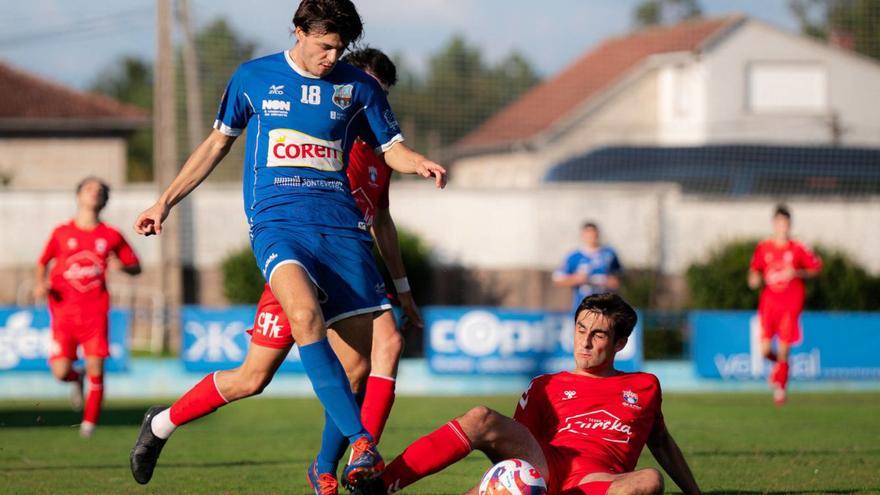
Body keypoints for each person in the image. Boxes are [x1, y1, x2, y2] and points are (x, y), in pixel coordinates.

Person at [128, 0, 446, 490]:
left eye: (340, 49)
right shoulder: (254, 78)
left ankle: (164, 423)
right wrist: (163, 202)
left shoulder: (358, 86)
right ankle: (361, 444)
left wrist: (418, 161)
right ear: (298, 31)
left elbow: (391, 150)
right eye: (324, 46)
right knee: (304, 317)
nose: (331, 57)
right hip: (279, 225)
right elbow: (216, 144)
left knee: (307, 371)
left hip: (340, 231)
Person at [247, 47, 424, 494]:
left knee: (380, 349)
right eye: (364, 92)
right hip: (303, 258)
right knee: (252, 378)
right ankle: (164, 423)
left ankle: (354, 461)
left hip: (349, 260)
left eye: (378, 96)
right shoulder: (329, 140)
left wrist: (403, 288)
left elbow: (382, 220)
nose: (368, 105)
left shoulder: (379, 157)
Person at [354, 294, 701, 495]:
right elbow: (513, 464)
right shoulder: (545, 385)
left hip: (599, 480)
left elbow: (661, 442)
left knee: (650, 480)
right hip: (547, 464)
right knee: (480, 417)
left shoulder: (645, 386)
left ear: (620, 343)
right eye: (580, 329)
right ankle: (381, 485)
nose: (585, 341)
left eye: (598, 335)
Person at [34, 176, 142, 438]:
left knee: (97, 367)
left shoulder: (112, 235)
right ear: (79, 195)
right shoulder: (61, 233)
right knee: (60, 372)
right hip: (62, 313)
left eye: (100, 190)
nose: (94, 192)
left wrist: (123, 267)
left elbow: (136, 267)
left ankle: (88, 426)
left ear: (105, 200)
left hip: (94, 313)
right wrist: (41, 284)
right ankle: (75, 378)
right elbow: (42, 262)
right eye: (89, 188)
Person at [748, 205, 822, 405]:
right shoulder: (764, 248)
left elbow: (816, 269)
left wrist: (797, 273)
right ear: (774, 224)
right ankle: (780, 370)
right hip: (769, 304)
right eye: (779, 223)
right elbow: (754, 271)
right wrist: (754, 279)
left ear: (789, 225)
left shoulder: (797, 247)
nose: (783, 227)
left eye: (786, 223)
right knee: (764, 351)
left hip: (791, 304)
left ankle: (780, 388)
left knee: (783, 349)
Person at [553, 222, 622, 315]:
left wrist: (612, 282)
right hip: (583, 307)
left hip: (606, 307)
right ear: (583, 235)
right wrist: (576, 279)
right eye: (588, 233)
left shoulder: (609, 254)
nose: (592, 236)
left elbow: (619, 277)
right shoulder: (574, 256)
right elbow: (558, 279)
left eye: (594, 233)